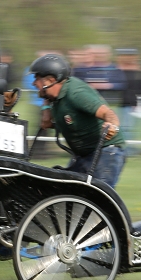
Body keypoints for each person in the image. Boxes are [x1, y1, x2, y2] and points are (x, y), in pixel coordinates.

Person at [30, 54, 126, 188]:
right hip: (84, 155)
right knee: (63, 188)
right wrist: (46, 111)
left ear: (50, 80)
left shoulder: (76, 93)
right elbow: (49, 99)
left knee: (96, 197)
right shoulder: (56, 95)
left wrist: (112, 126)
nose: (33, 83)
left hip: (105, 153)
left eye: (36, 78)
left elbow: (108, 113)